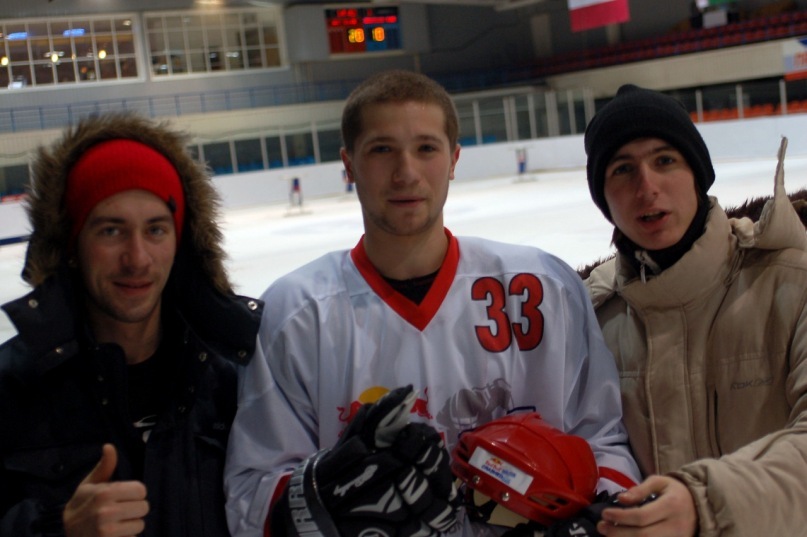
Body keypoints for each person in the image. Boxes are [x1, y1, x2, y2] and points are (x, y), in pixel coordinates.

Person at [224, 69, 640, 537]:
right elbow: (253, 492)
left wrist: (599, 520)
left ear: (454, 159)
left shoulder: (542, 288)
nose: (406, 172)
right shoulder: (297, 314)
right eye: (381, 150)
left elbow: (602, 439)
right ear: (348, 164)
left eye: (426, 148)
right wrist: (319, 496)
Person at [0, 112, 263, 537]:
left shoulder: (235, 377)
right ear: (72, 245)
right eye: (111, 231)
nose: (137, 258)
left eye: (156, 230)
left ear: (180, 242)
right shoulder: (12, 388)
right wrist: (59, 529)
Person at [582, 84, 807, 536]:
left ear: (698, 175)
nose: (647, 187)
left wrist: (704, 502)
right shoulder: (592, 318)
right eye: (622, 169)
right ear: (604, 198)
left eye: (665, 160)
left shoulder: (792, 281)